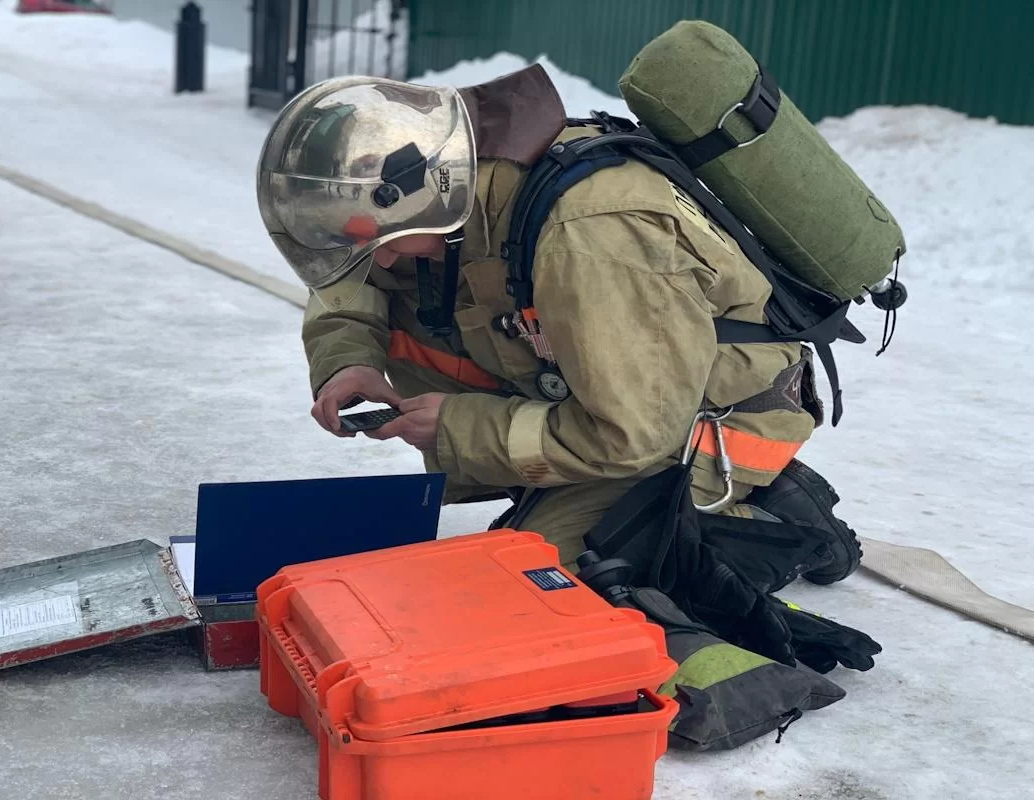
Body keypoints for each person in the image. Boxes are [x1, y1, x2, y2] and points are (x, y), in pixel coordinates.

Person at [256, 65, 858, 581]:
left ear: (413, 195)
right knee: (412, 299)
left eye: (376, 239)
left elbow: (633, 435)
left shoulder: (589, 237)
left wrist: (462, 428)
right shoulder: (461, 188)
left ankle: (769, 516)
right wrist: (348, 360)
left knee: (549, 584)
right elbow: (355, 282)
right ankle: (564, 492)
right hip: (614, 397)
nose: (378, 259)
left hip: (709, 419)